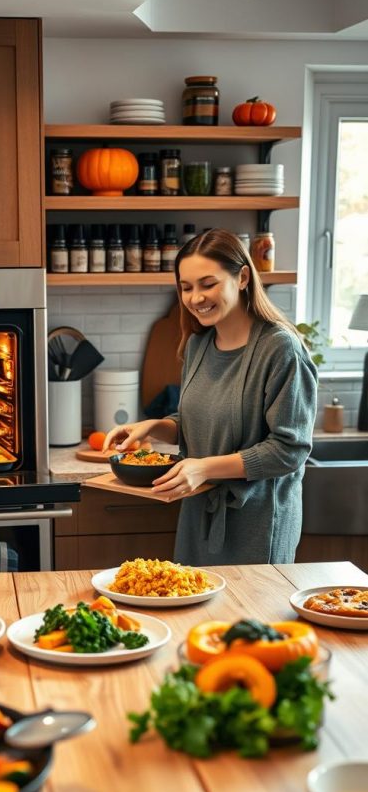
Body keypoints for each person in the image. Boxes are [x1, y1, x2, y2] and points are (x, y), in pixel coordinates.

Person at [103, 229, 318, 565]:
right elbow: (197, 419)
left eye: (208, 284)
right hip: (198, 513)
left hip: (257, 523)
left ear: (243, 277)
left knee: (247, 619)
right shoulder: (198, 345)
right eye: (186, 287)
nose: (195, 298)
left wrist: (204, 468)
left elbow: (290, 450)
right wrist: (153, 427)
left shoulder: (279, 348)